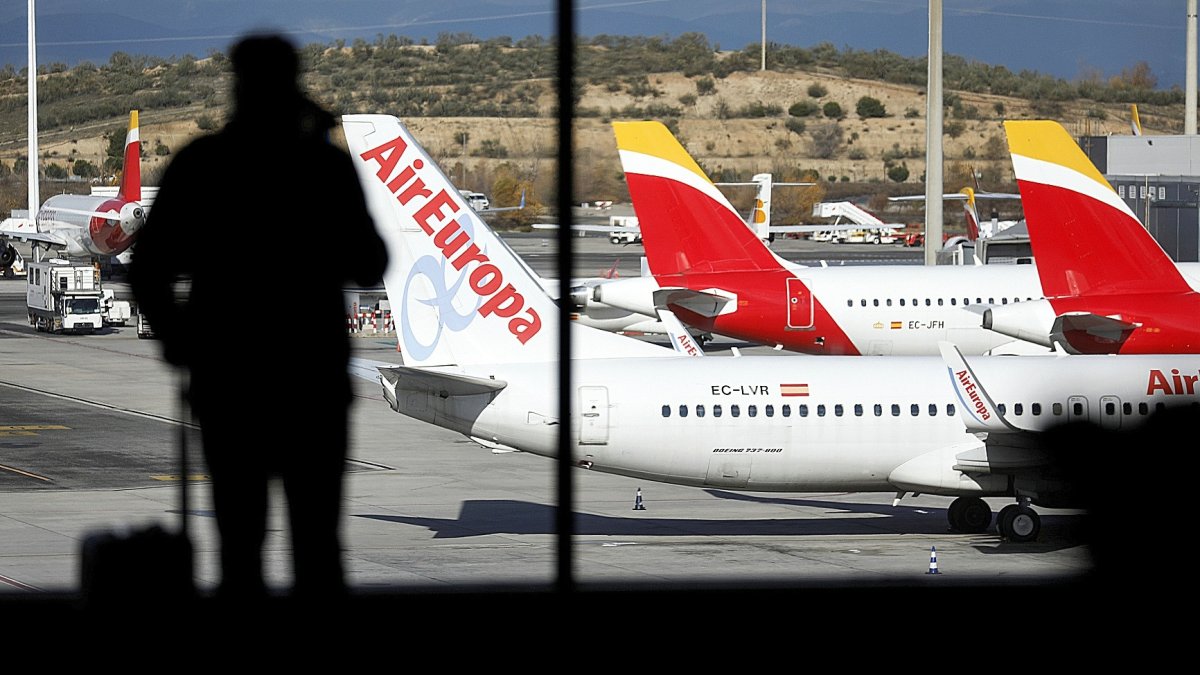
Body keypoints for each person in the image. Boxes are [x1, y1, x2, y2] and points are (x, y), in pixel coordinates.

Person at [129, 33, 388, 602]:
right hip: (310, 386)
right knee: (318, 550)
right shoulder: (322, 168)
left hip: (230, 385)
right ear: (294, 83)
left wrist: (181, 341)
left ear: (237, 84)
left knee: (238, 547)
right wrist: (319, 146)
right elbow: (371, 266)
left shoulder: (203, 166)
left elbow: (147, 270)